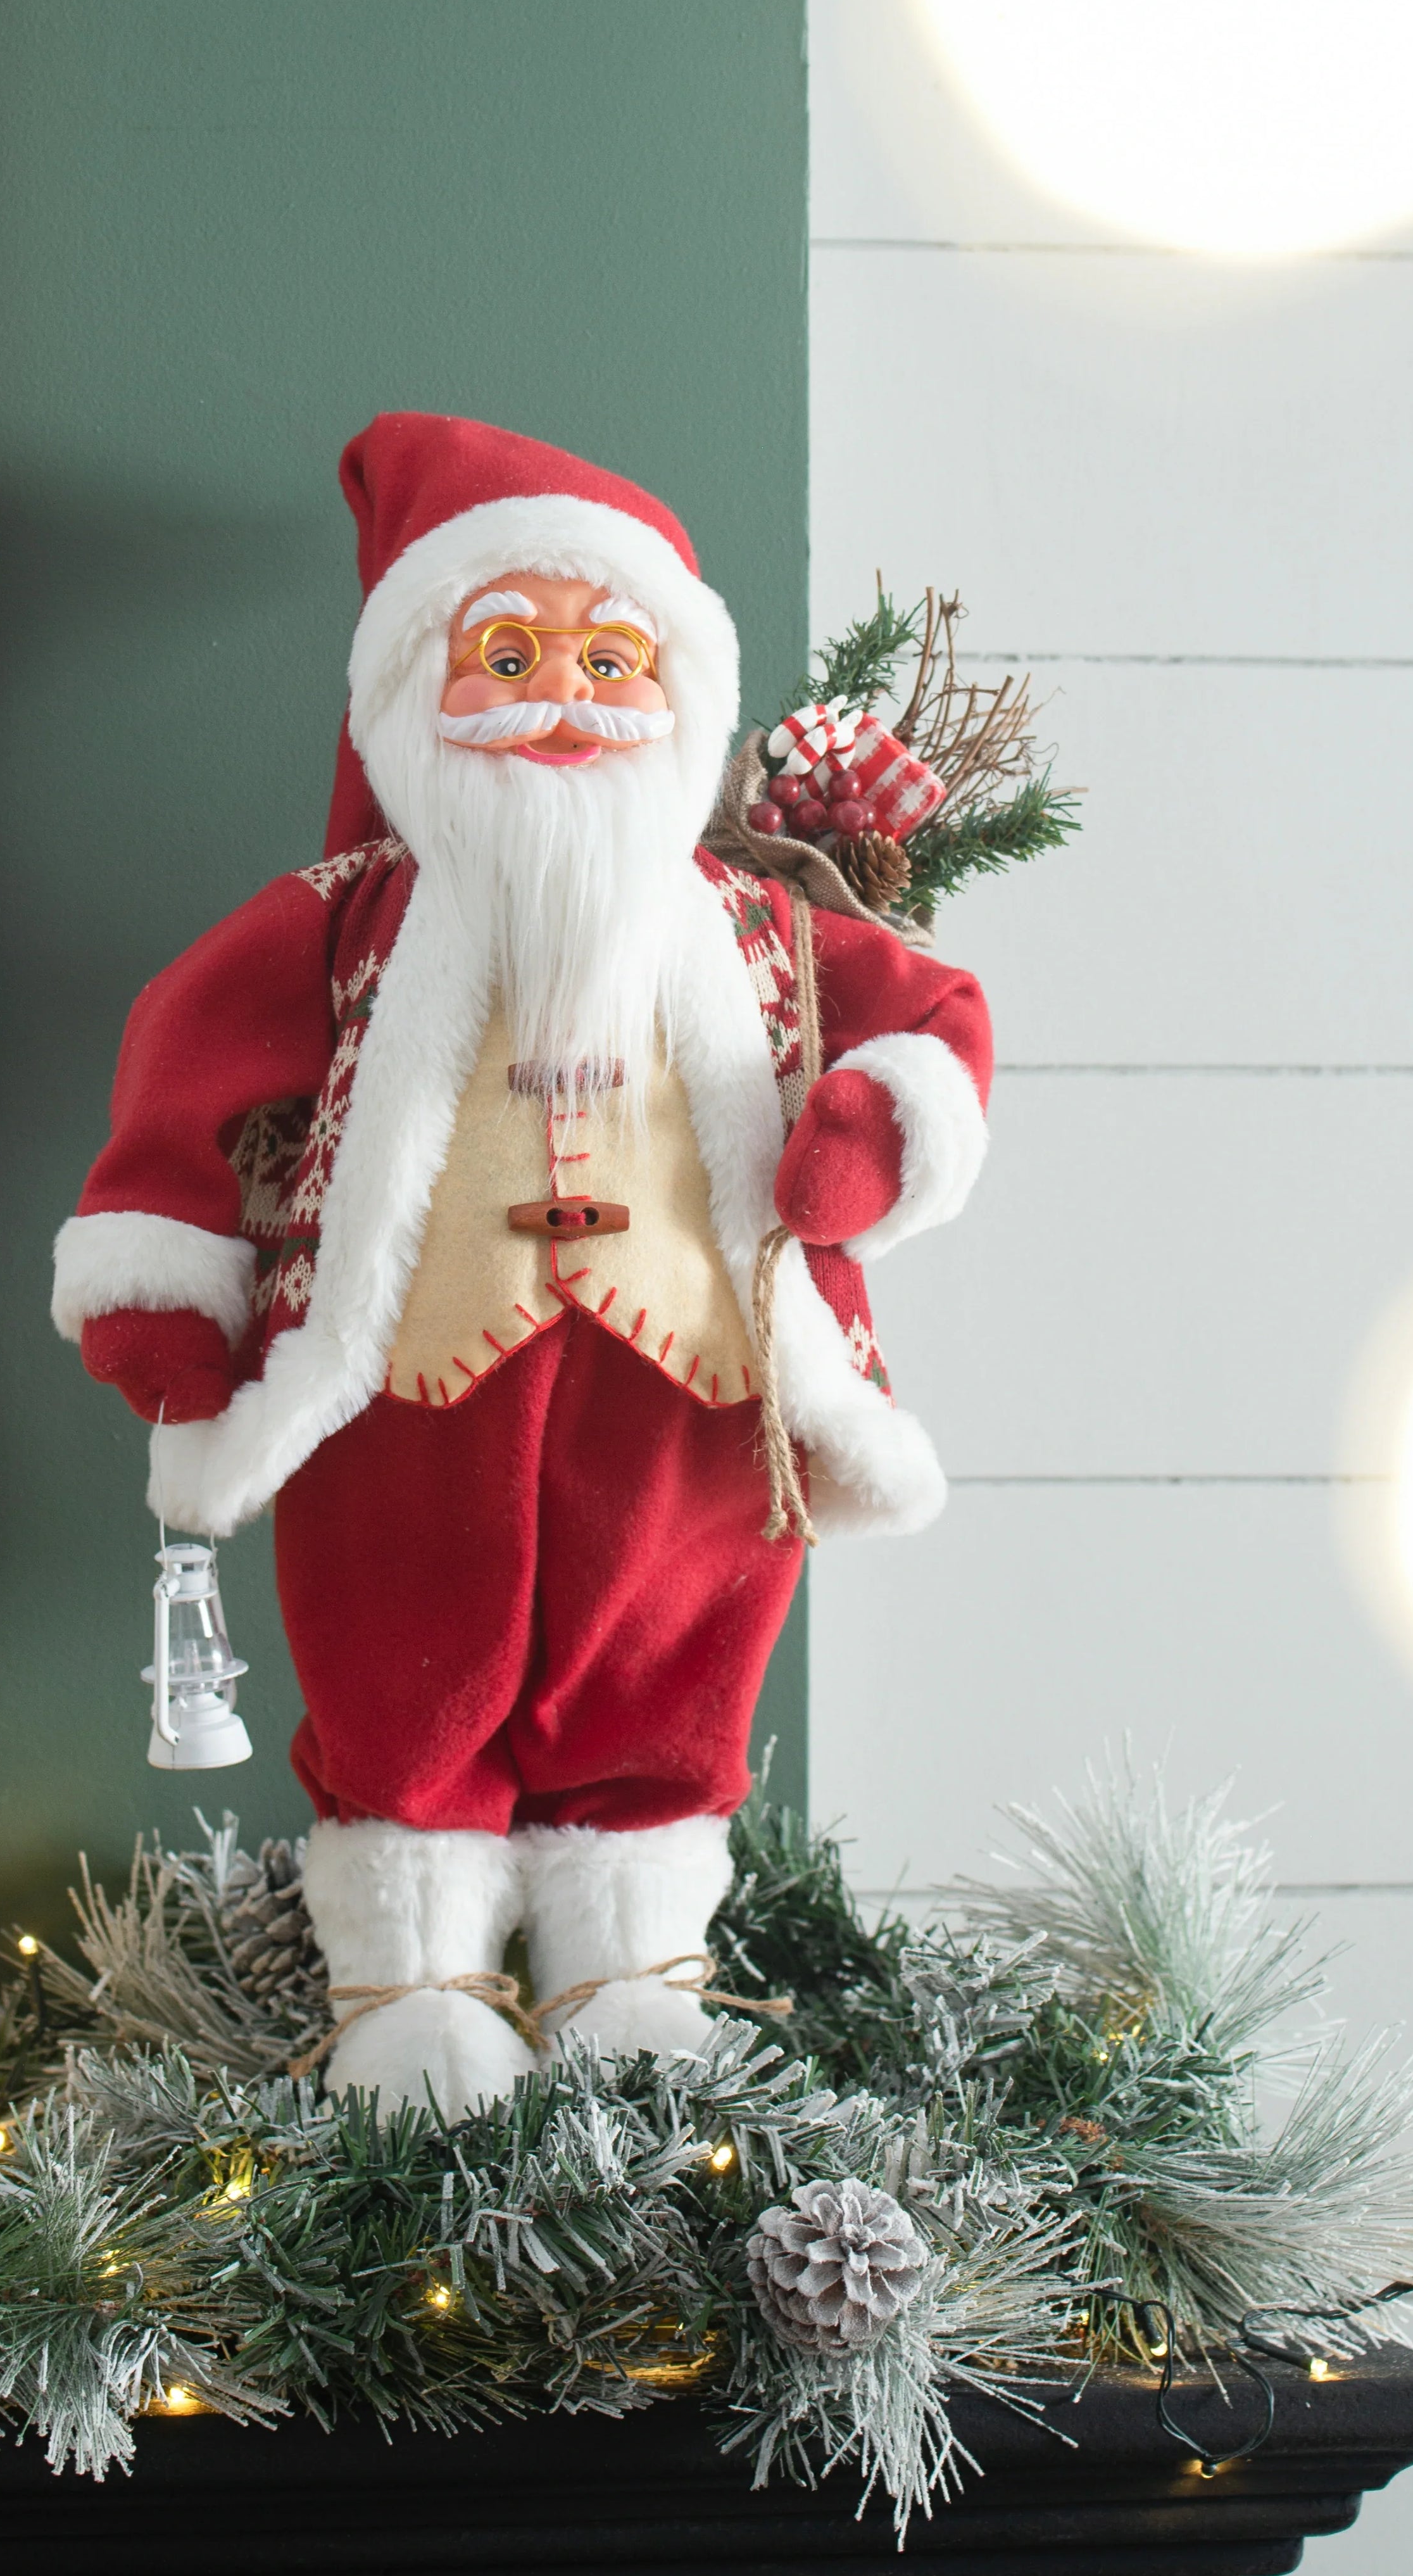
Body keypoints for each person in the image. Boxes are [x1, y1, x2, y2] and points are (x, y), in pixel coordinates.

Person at [54, 414, 992, 2114]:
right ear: (416, 686)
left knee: (675, 1659)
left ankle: (632, 1971)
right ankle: (412, 1984)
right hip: (407, 1393)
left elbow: (932, 1020)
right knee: (404, 1665)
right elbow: (185, 1063)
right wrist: (161, 1312)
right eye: (509, 652)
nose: (566, 693)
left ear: (680, 695)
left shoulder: (757, 921)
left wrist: (876, 1130)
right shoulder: (342, 917)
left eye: (611, 655)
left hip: (697, 1392)